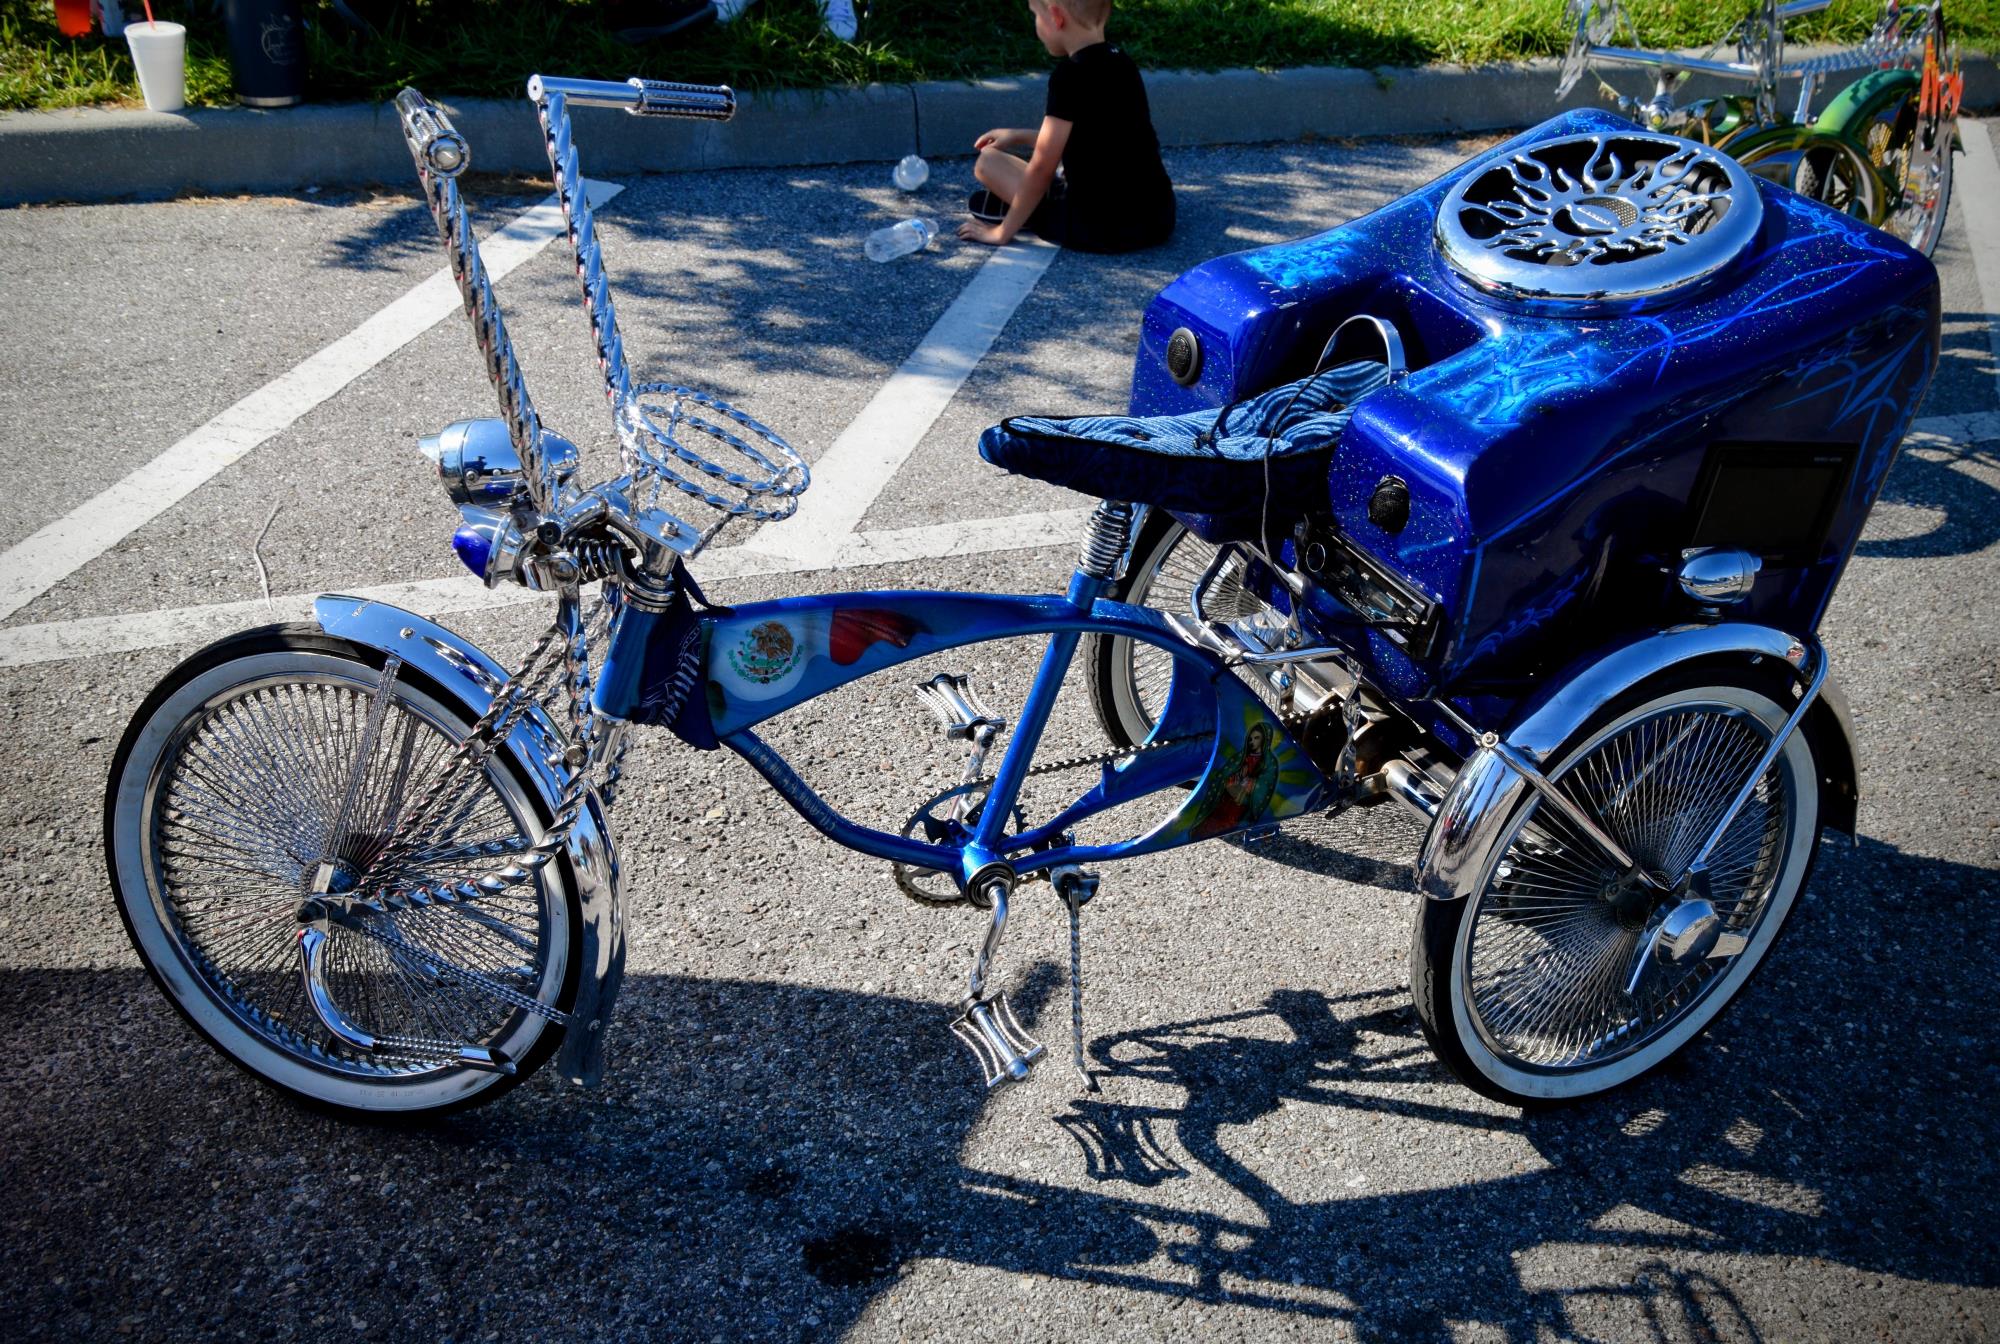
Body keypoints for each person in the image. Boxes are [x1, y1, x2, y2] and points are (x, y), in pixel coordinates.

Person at [957, 0, 1175, 253]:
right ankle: (1057, 189)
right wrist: (1017, 136)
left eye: (1036, 15)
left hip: (1099, 230)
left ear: (1056, 17)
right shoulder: (1122, 62)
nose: (1036, 25)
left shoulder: (1069, 76)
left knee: (988, 162)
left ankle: (1034, 207)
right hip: (1157, 218)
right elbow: (1098, 137)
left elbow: (1041, 167)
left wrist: (1001, 232)